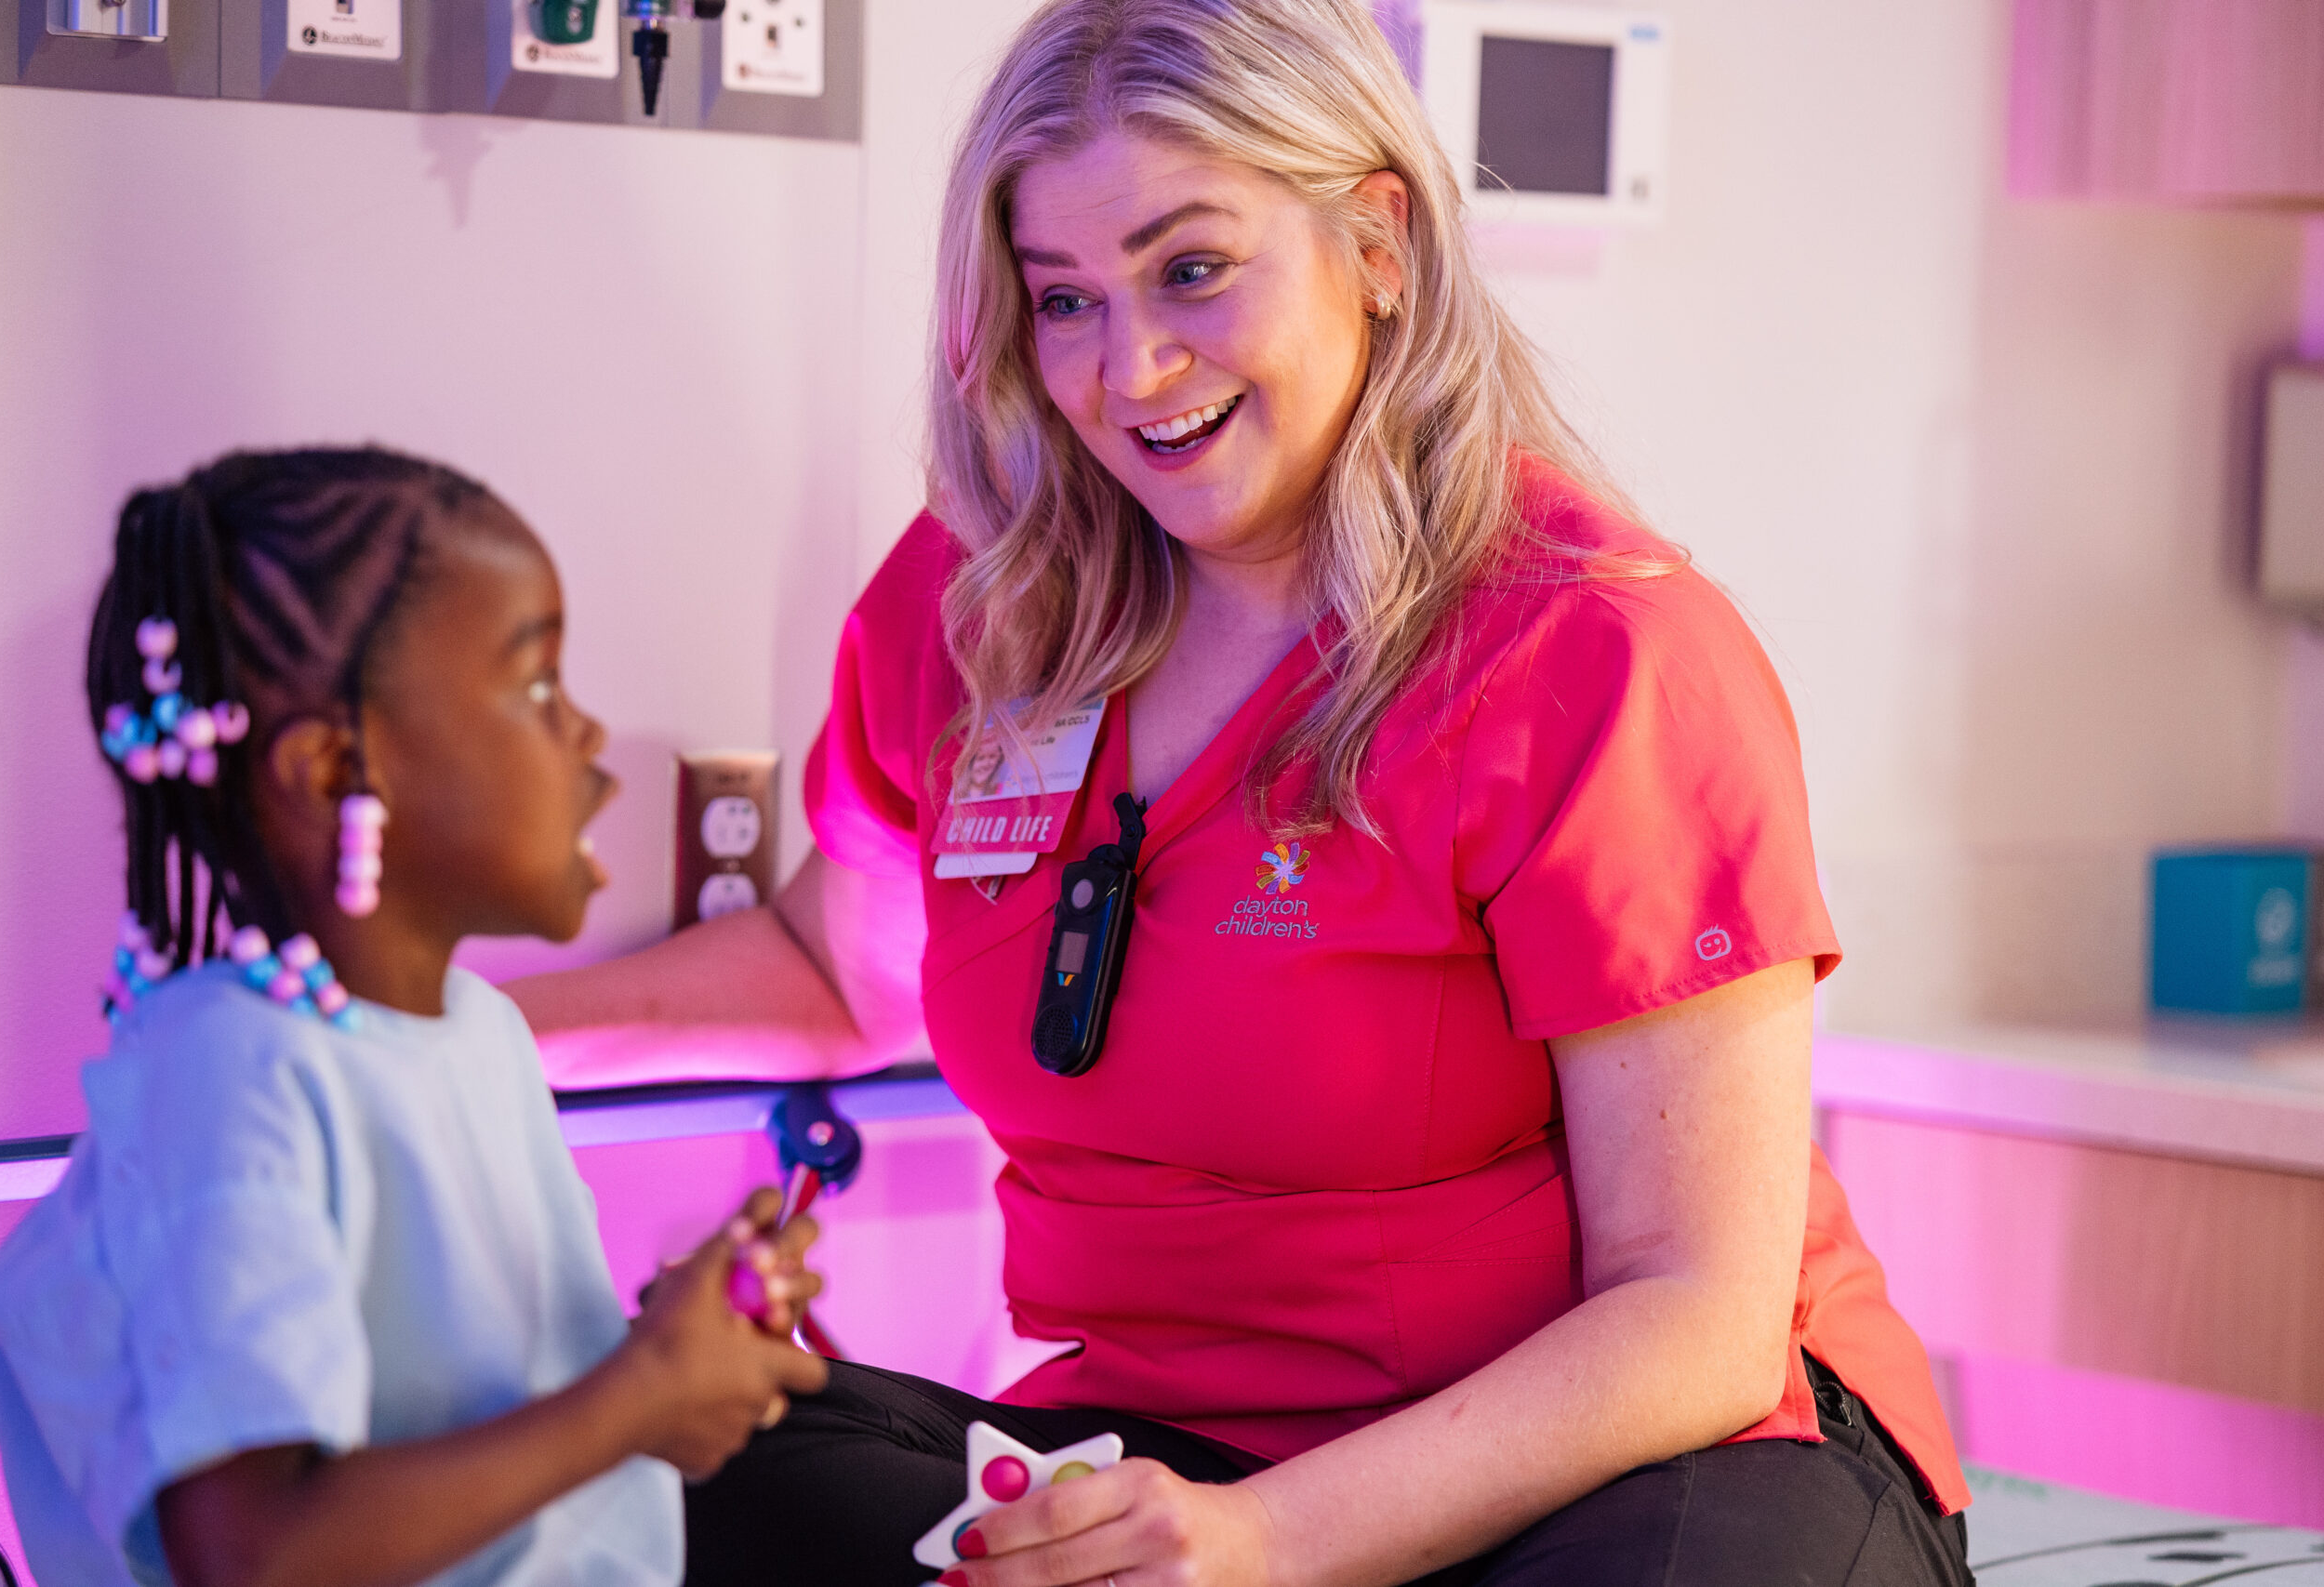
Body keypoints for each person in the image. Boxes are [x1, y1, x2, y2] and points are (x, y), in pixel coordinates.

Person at [511, 1, 1978, 1581]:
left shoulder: (1597, 652)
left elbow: (1697, 1314)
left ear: (1379, 244)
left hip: (1647, 1461)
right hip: (1170, 1450)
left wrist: (1265, 1541)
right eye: (1063, 298)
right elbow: (832, 968)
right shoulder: (976, 608)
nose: (1127, 367)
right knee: (658, 1460)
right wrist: (419, 1037)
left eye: (1192, 268)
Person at [0, 448, 830, 1587]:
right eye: (537, 689)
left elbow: (471, 1423)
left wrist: (678, 1347)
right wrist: (638, 1397)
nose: (585, 736)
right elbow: (255, 1554)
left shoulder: (480, 1034)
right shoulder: (227, 1073)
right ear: (332, 770)